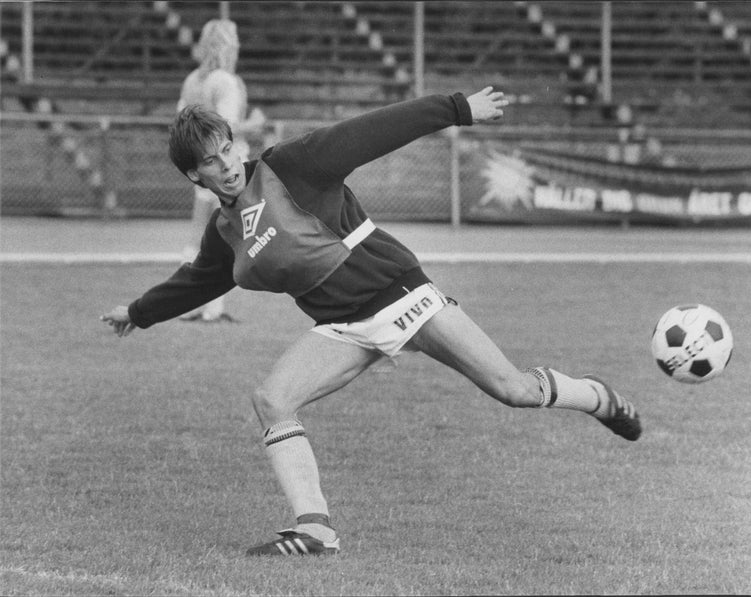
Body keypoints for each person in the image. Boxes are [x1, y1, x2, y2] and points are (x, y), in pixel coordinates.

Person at [101, 86, 641, 557]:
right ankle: (315, 530)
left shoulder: (291, 165)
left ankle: (598, 397)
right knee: (271, 399)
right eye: (213, 161)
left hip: (399, 294)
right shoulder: (223, 231)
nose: (227, 163)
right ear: (194, 174)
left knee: (514, 390)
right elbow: (201, 280)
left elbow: (376, 130)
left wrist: (457, 108)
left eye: (228, 148)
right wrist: (140, 313)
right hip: (342, 325)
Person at [177, 18, 266, 322]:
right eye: (236, 41)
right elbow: (224, 128)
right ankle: (213, 307)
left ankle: (191, 303)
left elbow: (182, 124)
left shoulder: (192, 81)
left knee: (198, 234)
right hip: (229, 167)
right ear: (228, 45)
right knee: (234, 236)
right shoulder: (224, 81)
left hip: (202, 167)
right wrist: (254, 125)